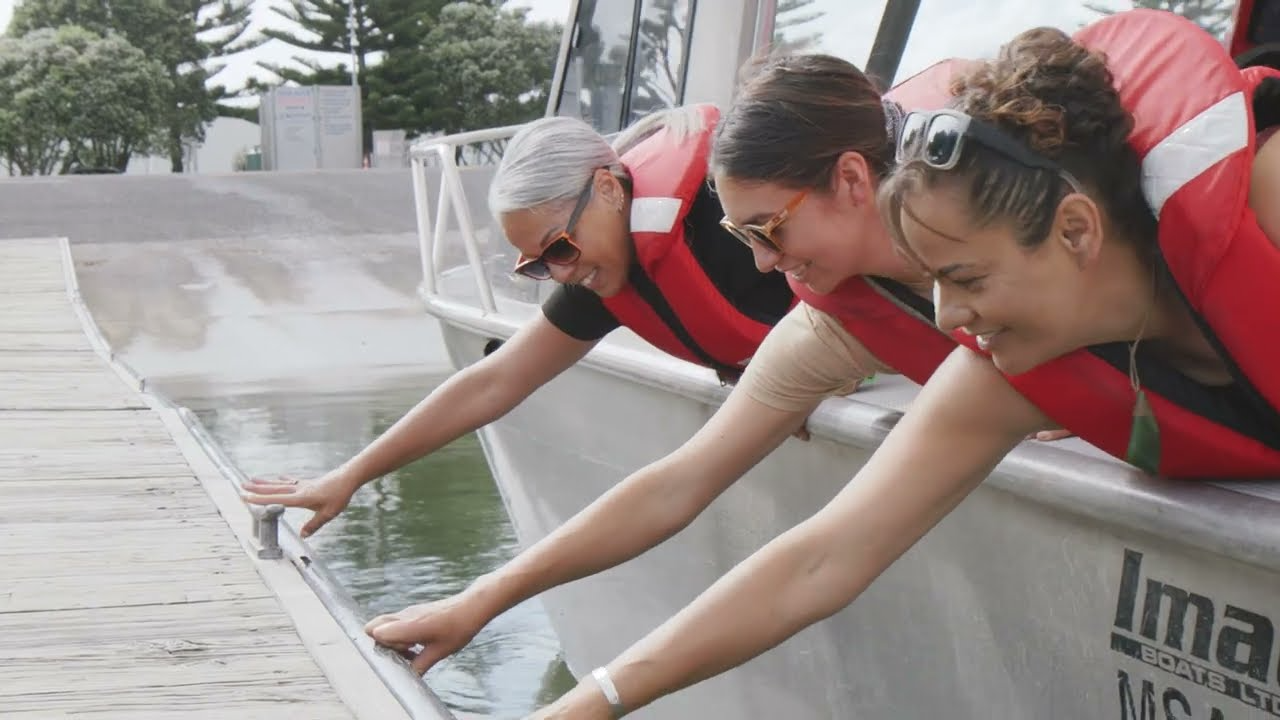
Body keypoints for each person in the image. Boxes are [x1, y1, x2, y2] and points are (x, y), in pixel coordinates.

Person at [523, 12, 1280, 719]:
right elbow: (821, 559)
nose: (948, 319)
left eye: (969, 278)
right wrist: (592, 701)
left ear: (1076, 230)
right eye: (932, 280)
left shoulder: (1266, 203)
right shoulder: (1002, 370)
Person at [358, 53, 1066, 676]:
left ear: (853, 179)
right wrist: (480, 602)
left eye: (767, 230)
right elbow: (678, 484)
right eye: (738, 235)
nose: (762, 263)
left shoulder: (1058, 242)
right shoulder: (831, 318)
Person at [240, 105, 796, 536]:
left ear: (608, 187)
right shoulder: (604, 270)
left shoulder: (735, 214)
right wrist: (348, 476)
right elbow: (493, 382)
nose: (560, 273)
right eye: (538, 264)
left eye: (558, 248)